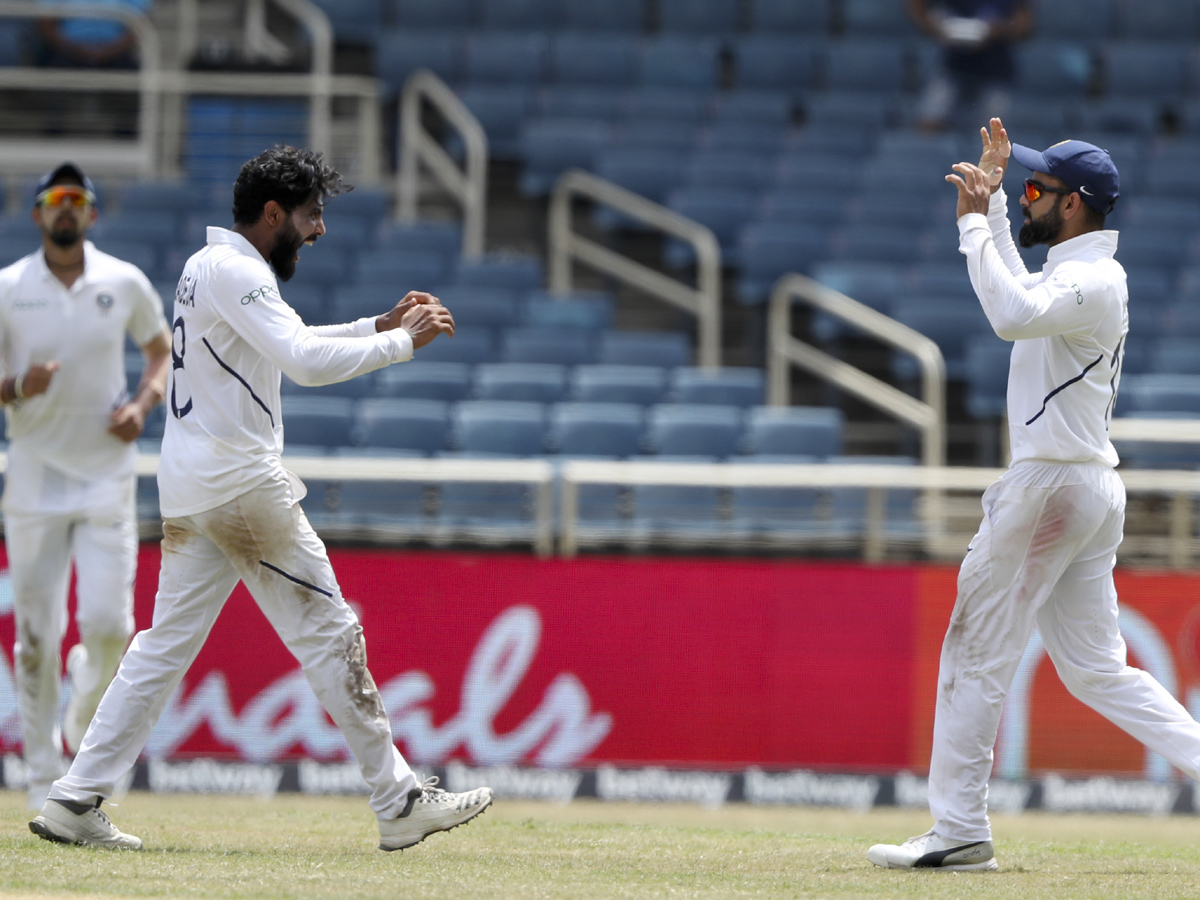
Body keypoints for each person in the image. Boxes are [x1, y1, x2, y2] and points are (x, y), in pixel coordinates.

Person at [29, 146, 493, 851]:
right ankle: (398, 801)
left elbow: (292, 343)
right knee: (331, 631)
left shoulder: (207, 266)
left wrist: (375, 326)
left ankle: (73, 798)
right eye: (311, 215)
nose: (319, 230)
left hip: (194, 485)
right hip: (239, 483)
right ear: (273, 213)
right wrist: (401, 344)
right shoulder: (237, 271)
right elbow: (305, 363)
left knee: (160, 651)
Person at [868, 118, 1200, 871]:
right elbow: (1023, 297)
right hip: (1082, 486)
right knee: (1095, 670)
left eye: (1038, 187)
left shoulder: (1093, 279)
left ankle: (957, 830)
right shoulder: (1079, 274)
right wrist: (988, 211)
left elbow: (1009, 315)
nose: (1027, 192)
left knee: (976, 649)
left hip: (1051, 485)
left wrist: (972, 230)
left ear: (1074, 204)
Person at [0, 162, 170, 811]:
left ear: (91, 214)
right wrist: (18, 387)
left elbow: (160, 353)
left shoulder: (122, 281)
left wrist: (143, 405)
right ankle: (43, 774)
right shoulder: (10, 287)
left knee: (109, 626)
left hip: (105, 476)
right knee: (37, 635)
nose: (65, 210)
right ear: (39, 213)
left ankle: (79, 723)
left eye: (76, 200)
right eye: (54, 200)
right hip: (36, 474)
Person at [907, 0, 1033, 133]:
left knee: (993, 135)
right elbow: (916, 5)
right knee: (928, 124)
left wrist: (1000, 30)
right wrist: (937, 28)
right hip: (953, 66)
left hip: (996, 71)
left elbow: (1024, 26)